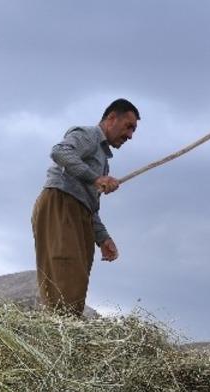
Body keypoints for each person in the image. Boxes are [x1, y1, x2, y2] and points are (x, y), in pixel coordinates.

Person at [31, 98, 139, 315]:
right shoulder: (89, 135)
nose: (130, 135)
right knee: (64, 272)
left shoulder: (103, 160)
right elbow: (60, 152)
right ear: (111, 119)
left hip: (80, 213)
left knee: (77, 279)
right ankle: (57, 335)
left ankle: (65, 336)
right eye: (128, 127)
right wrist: (95, 178)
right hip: (61, 205)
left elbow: (91, 204)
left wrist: (103, 238)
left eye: (133, 130)